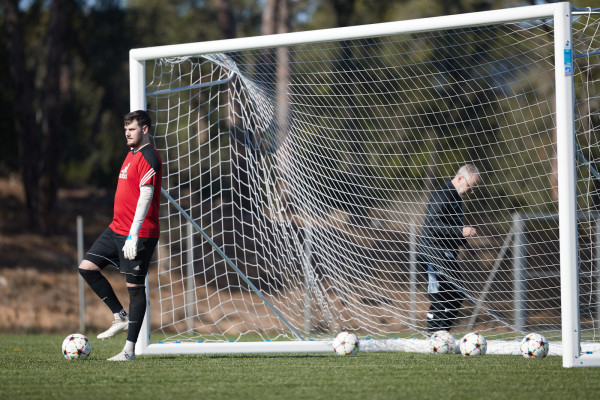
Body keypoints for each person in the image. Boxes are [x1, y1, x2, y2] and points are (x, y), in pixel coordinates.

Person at [78, 110, 162, 361]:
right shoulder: (131, 154)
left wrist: (133, 234)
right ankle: (119, 316)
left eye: (132, 129)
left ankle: (129, 351)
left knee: (135, 288)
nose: (127, 133)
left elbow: (146, 196)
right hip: (116, 228)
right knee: (87, 268)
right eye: (125, 129)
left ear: (144, 129)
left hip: (139, 233)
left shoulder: (149, 156)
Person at [416, 164, 479, 335]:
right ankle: (433, 338)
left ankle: (442, 335)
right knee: (439, 300)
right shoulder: (442, 195)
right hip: (431, 255)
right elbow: (433, 224)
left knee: (457, 295)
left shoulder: (457, 198)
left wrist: (466, 244)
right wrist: (461, 231)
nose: (471, 191)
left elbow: (450, 228)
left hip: (447, 256)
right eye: (470, 186)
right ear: (460, 178)